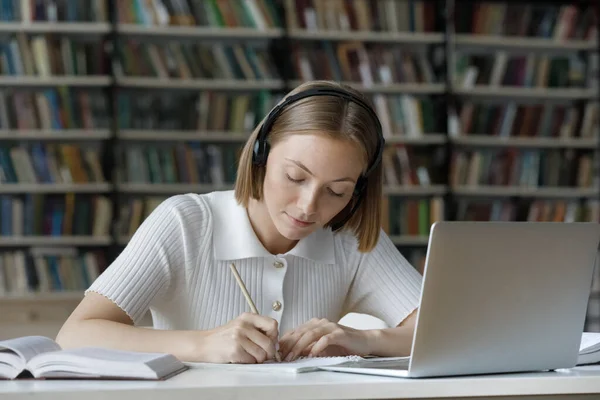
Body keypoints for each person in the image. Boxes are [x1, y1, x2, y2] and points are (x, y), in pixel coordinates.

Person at [56, 80, 423, 364]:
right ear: (260, 156)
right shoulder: (185, 222)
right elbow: (74, 334)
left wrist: (369, 340)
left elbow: (446, 332)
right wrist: (202, 344)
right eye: (295, 177)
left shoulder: (349, 237)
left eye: (337, 191)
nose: (309, 206)